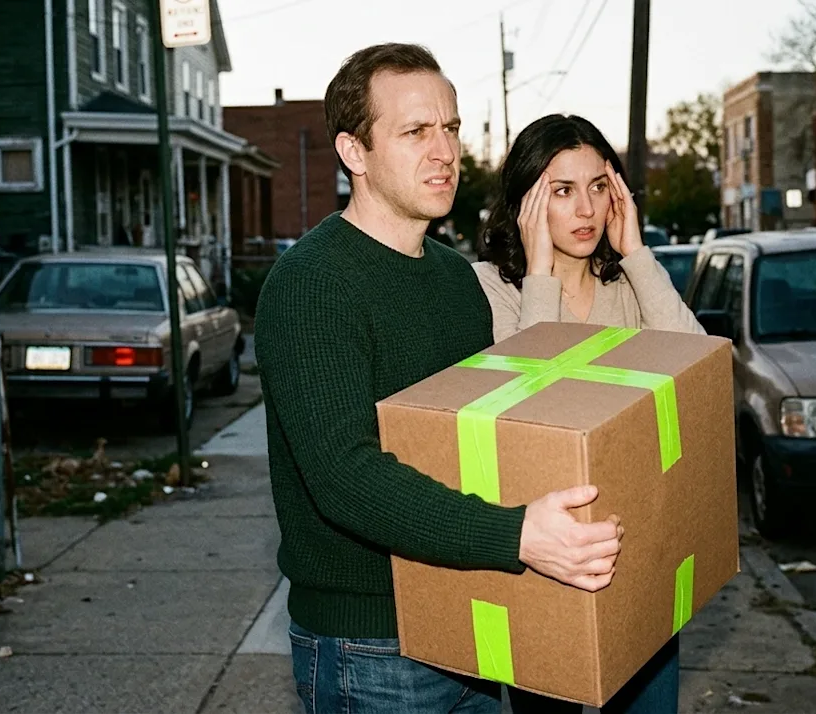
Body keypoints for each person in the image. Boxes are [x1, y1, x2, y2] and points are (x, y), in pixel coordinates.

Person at [253, 44, 626, 714]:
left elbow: (486, 437)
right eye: (415, 132)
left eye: (450, 128)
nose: (445, 151)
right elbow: (344, 475)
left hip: (467, 618)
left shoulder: (455, 278)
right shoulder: (311, 283)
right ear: (354, 151)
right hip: (371, 646)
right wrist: (518, 536)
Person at [474, 113, 705, 713]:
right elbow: (528, 405)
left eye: (599, 187)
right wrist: (540, 276)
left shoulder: (628, 286)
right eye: (562, 190)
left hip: (635, 548)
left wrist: (637, 254)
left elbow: (697, 372)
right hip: (544, 559)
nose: (586, 209)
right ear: (525, 203)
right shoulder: (489, 288)